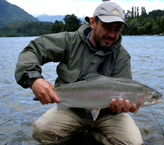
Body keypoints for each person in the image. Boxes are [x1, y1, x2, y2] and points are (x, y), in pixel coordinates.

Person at [15, 1, 143, 145]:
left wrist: (119, 108)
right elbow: (33, 50)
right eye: (107, 27)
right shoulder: (69, 41)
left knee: (133, 143)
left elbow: (125, 89)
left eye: (117, 29)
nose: (112, 34)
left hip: (108, 115)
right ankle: (81, 135)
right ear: (93, 22)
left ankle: (95, 135)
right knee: (40, 130)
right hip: (72, 109)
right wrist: (34, 80)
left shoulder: (122, 56)